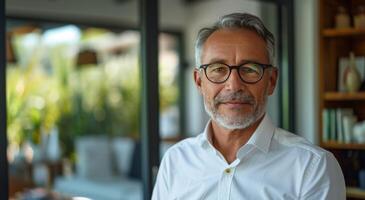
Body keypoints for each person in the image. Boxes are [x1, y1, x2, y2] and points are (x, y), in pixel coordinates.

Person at [152, 12, 346, 200]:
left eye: (250, 69)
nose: (234, 85)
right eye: (218, 69)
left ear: (271, 81)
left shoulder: (312, 168)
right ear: (199, 81)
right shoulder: (175, 161)